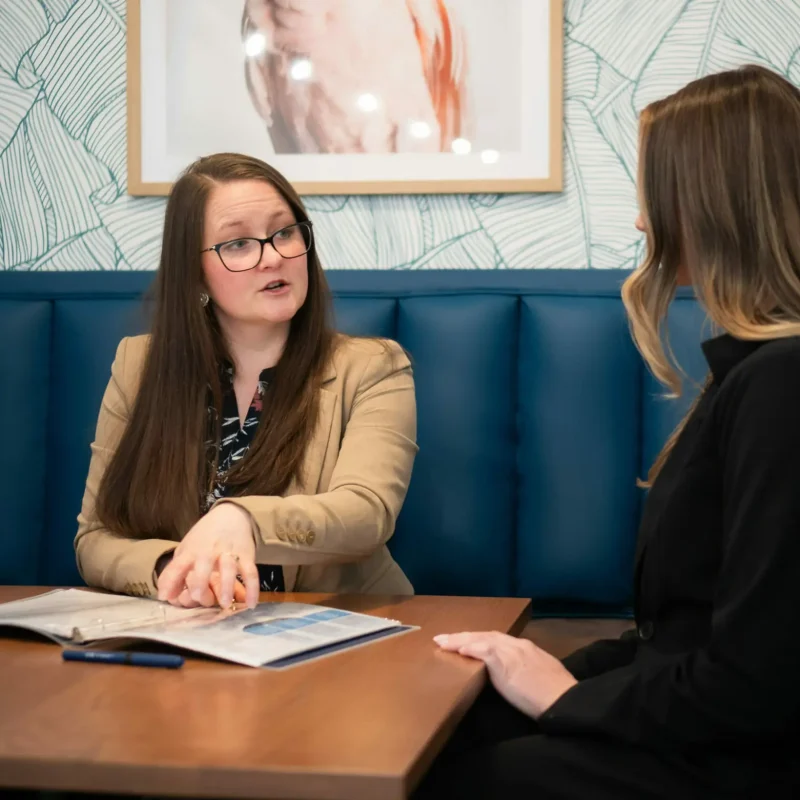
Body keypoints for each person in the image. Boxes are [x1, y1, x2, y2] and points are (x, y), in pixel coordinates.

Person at [415, 65, 800, 799]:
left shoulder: (781, 384)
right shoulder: (753, 371)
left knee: (464, 778)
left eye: (651, 193)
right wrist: (517, 666)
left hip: (747, 758)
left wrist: (563, 697)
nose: (638, 222)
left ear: (711, 202)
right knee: (442, 731)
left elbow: (757, 681)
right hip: (706, 722)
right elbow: (678, 638)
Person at [74, 153, 417, 609]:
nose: (273, 257)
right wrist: (177, 570)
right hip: (195, 633)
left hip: (339, 627)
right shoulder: (137, 366)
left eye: (285, 232)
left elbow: (367, 513)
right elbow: (95, 538)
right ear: (193, 270)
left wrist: (243, 519)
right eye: (237, 244)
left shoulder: (373, 366)